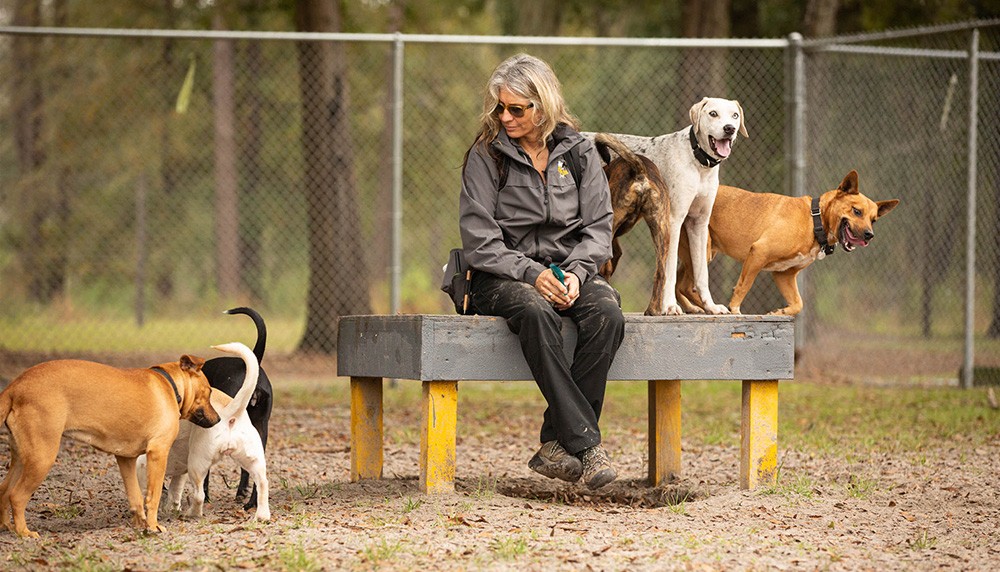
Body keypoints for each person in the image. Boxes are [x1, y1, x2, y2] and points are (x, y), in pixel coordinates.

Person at [459, 53, 625, 490]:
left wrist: (575, 274)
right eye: (500, 107)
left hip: (567, 268)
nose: (505, 117)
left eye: (517, 109)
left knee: (607, 312)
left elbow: (598, 229)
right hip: (502, 276)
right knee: (536, 310)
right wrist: (532, 275)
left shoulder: (581, 151)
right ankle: (585, 446)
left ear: (544, 106)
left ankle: (555, 443)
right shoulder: (485, 155)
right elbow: (480, 241)